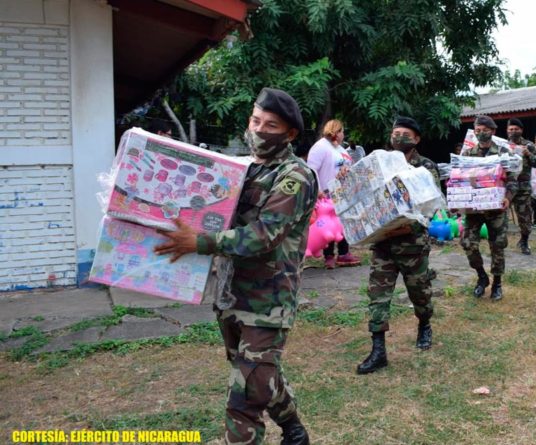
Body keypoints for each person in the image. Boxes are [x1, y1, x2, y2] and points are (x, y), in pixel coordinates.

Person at [154, 88, 317, 445]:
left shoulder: (295, 175)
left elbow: (265, 234)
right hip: (230, 290)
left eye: (270, 125)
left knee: (244, 396)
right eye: (255, 120)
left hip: (268, 300)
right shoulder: (238, 169)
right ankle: (293, 428)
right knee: (255, 375)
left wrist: (200, 242)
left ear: (289, 134)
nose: (259, 129)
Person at [357, 116, 438, 374]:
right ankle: (378, 351)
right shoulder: (378, 162)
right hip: (383, 243)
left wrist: (409, 225)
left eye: (405, 133)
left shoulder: (426, 166)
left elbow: (430, 206)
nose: (399, 137)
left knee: (420, 293)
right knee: (377, 297)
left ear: (416, 139)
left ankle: (424, 324)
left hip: (412, 244)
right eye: (396, 133)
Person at [460, 115, 518, 301]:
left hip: (496, 208)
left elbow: (512, 181)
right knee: (467, 242)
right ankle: (482, 277)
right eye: (477, 131)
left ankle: (497, 283)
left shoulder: (503, 153)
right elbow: (459, 180)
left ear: (493, 131)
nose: (480, 133)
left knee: (497, 246)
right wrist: (457, 201)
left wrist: (508, 198)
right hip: (474, 209)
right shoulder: (468, 154)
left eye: (484, 130)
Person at [307, 119, 361, 269]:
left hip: (342, 193)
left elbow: (346, 167)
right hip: (325, 194)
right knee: (328, 225)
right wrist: (316, 189)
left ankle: (344, 254)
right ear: (336, 131)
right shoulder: (320, 147)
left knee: (343, 223)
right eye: (342, 131)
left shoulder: (340, 150)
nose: (344, 134)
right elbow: (311, 170)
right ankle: (329, 256)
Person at [506, 118, 536, 255]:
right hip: (506, 187)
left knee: (525, 216)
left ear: (521, 130)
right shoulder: (501, 145)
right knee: (500, 216)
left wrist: (529, 154)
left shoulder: (529, 145)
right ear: (507, 131)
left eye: (516, 129)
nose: (513, 132)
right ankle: (499, 243)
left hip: (523, 187)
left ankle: (524, 241)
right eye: (511, 129)